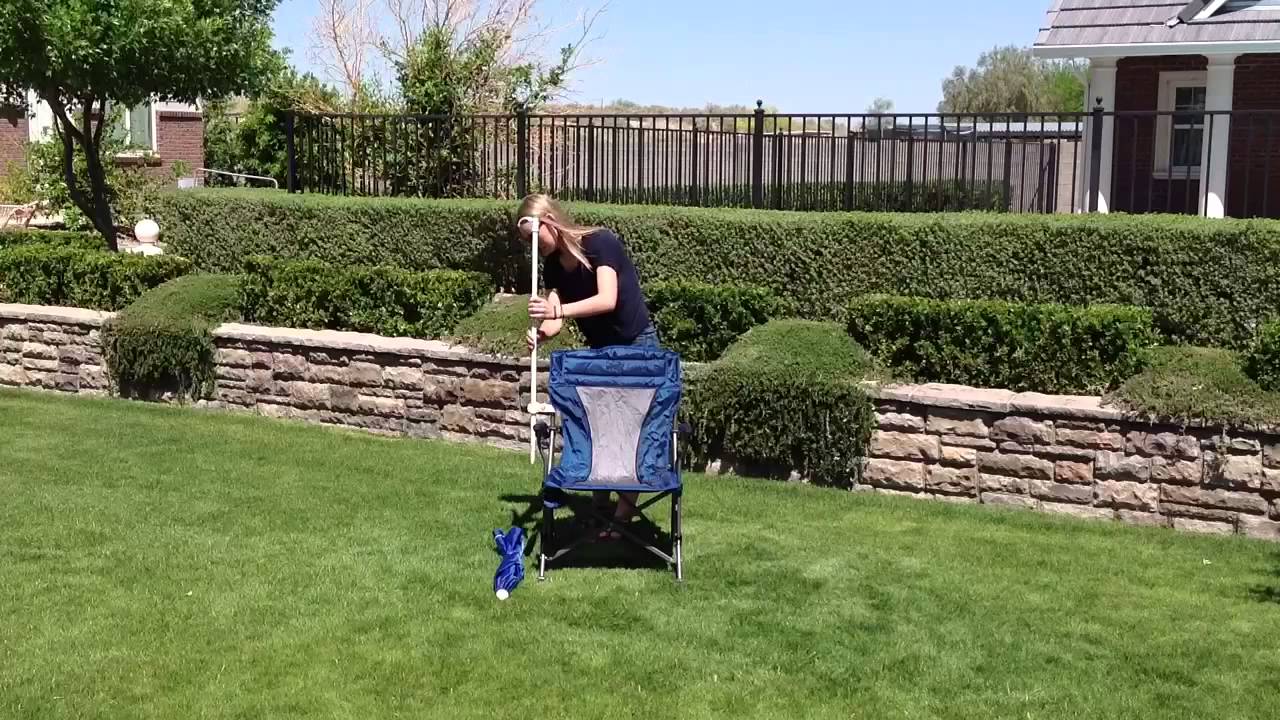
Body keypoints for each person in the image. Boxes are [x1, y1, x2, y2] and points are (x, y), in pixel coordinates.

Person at [516, 193, 658, 540]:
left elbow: (606, 300)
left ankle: (622, 518)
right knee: (600, 430)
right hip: (601, 352)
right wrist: (542, 334)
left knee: (627, 431)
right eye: (526, 241)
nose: (533, 245)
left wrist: (558, 312)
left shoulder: (600, 243)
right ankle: (601, 513)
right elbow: (555, 319)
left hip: (636, 346)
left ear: (549, 221)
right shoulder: (552, 267)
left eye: (535, 236)